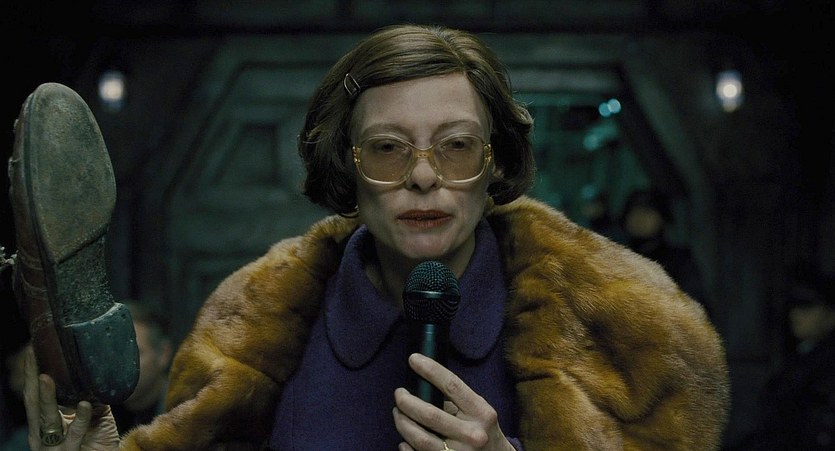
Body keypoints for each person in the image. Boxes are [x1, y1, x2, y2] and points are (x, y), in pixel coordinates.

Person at [19, 24, 729, 450]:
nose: (422, 176)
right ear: (346, 170)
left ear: (495, 166)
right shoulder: (250, 334)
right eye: (387, 149)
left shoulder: (622, 333)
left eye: (456, 146)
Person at [731, 271, 835, 450]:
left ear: (831, 314)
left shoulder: (823, 365)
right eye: (794, 306)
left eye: (807, 307)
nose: (795, 314)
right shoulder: (801, 357)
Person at [619, 187, 709, 307]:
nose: (639, 218)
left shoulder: (679, 260)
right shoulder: (618, 259)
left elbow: (693, 304)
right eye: (633, 212)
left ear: (662, 218)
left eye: (647, 212)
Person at [110, 301, 173, 434]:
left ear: (163, 354)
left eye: (132, 354)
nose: (119, 365)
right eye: (113, 355)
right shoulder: (98, 416)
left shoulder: (189, 415)